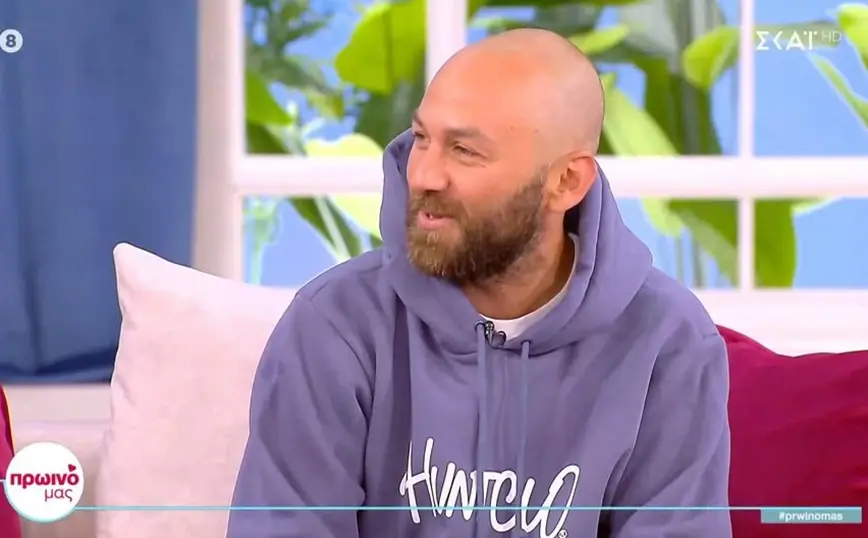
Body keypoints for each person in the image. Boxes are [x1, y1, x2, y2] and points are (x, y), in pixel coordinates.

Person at [227, 28, 732, 538]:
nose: (424, 175)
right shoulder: (335, 326)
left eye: (465, 150)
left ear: (566, 182)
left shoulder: (668, 341)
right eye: (421, 139)